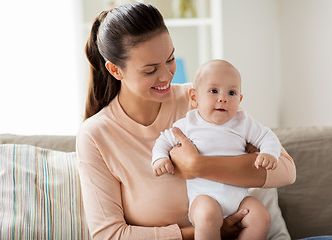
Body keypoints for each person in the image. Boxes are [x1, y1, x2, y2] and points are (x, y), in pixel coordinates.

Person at [76, 2, 296, 239]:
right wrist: (203, 230)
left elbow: (286, 171)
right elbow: (109, 235)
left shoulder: (201, 98)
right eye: (150, 70)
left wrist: (198, 166)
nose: (166, 75)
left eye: (170, 59)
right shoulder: (96, 135)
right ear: (115, 70)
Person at [152, 59, 281, 240]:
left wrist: (269, 153)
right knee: (207, 216)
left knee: (261, 216)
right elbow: (163, 140)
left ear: (240, 100)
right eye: (214, 91)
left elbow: (268, 137)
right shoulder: (189, 124)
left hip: (239, 199)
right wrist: (160, 158)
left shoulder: (243, 122)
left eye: (232, 92)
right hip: (205, 198)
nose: (223, 98)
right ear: (195, 98)